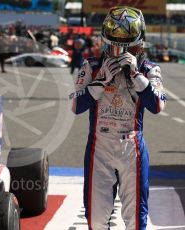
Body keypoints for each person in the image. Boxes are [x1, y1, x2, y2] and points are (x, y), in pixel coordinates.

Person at [70, 6, 166, 229]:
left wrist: (136, 76)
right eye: (115, 45)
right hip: (99, 148)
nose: (121, 52)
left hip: (131, 147)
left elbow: (158, 105)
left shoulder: (149, 69)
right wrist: (99, 82)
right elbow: (75, 106)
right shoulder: (92, 66)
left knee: (135, 218)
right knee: (95, 218)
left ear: (139, 43)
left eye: (128, 46)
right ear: (105, 41)